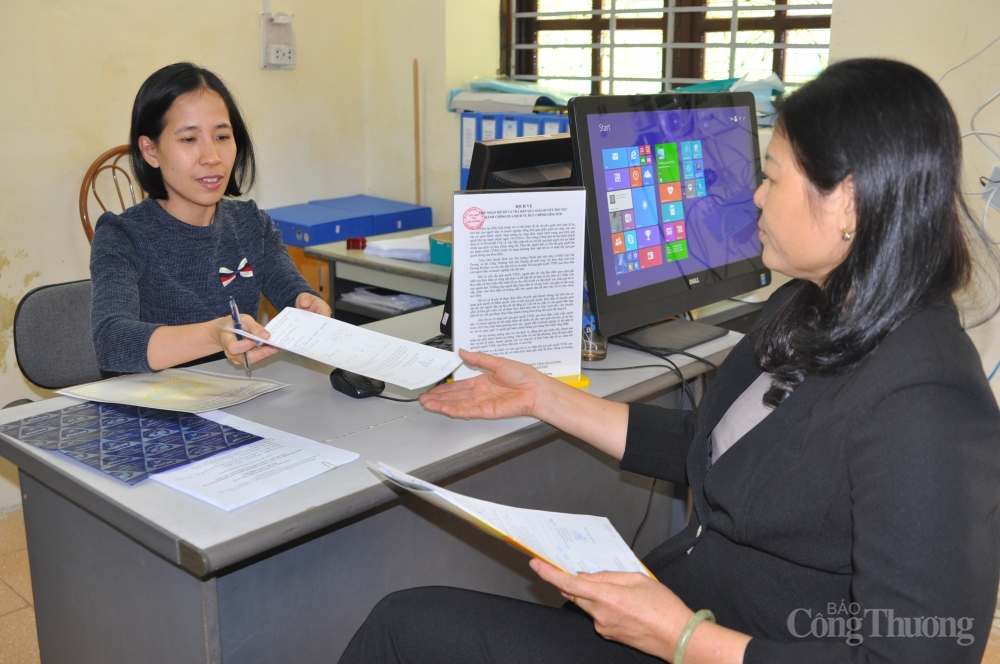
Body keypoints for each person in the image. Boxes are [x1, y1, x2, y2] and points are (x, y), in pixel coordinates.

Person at [339, 59, 1000, 663]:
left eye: (771, 176)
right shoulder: (813, 302)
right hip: (680, 618)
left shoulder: (925, 393)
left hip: (711, 645)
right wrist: (544, 396)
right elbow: (717, 446)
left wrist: (684, 638)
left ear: (849, 202)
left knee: (406, 628)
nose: (757, 198)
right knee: (414, 623)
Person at [90, 62, 330, 374]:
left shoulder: (251, 224)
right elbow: (111, 342)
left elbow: (293, 294)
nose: (212, 157)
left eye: (222, 137)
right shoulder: (121, 235)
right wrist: (213, 334)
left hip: (238, 399)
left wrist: (309, 306)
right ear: (150, 150)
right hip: (155, 413)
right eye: (189, 139)